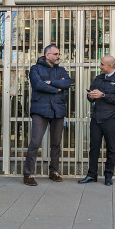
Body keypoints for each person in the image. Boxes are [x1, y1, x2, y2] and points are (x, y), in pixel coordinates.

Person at [23, 44, 72, 186]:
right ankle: (28, 174)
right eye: (55, 54)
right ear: (47, 55)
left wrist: (51, 82)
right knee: (35, 142)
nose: (58, 56)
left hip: (58, 110)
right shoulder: (35, 69)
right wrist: (56, 89)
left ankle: (54, 171)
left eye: (58, 54)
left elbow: (67, 83)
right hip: (40, 110)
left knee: (56, 143)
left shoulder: (61, 70)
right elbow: (38, 85)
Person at [78, 56, 115, 187]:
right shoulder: (98, 78)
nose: (100, 66)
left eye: (102, 64)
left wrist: (103, 95)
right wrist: (91, 96)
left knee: (111, 147)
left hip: (111, 118)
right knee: (94, 147)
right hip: (96, 117)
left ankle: (108, 176)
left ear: (110, 66)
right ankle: (91, 175)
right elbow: (92, 97)